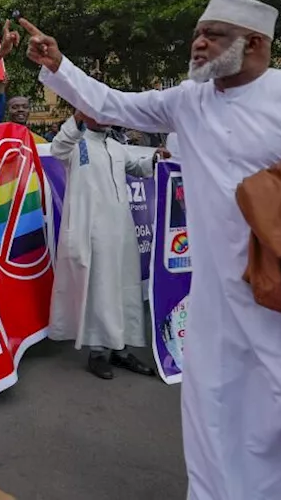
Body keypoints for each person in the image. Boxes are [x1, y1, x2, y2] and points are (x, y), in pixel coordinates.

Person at [21, 0, 281, 500]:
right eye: (197, 34)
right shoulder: (188, 100)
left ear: (255, 43)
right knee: (215, 419)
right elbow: (113, 103)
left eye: (214, 34)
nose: (199, 43)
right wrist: (59, 65)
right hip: (215, 300)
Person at [48, 110, 158, 379]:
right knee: (100, 290)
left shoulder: (117, 146)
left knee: (126, 288)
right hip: (93, 232)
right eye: (98, 110)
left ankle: (121, 350)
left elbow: (139, 167)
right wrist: (77, 117)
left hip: (122, 231)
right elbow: (57, 148)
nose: (106, 116)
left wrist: (156, 159)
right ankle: (98, 352)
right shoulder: (77, 143)